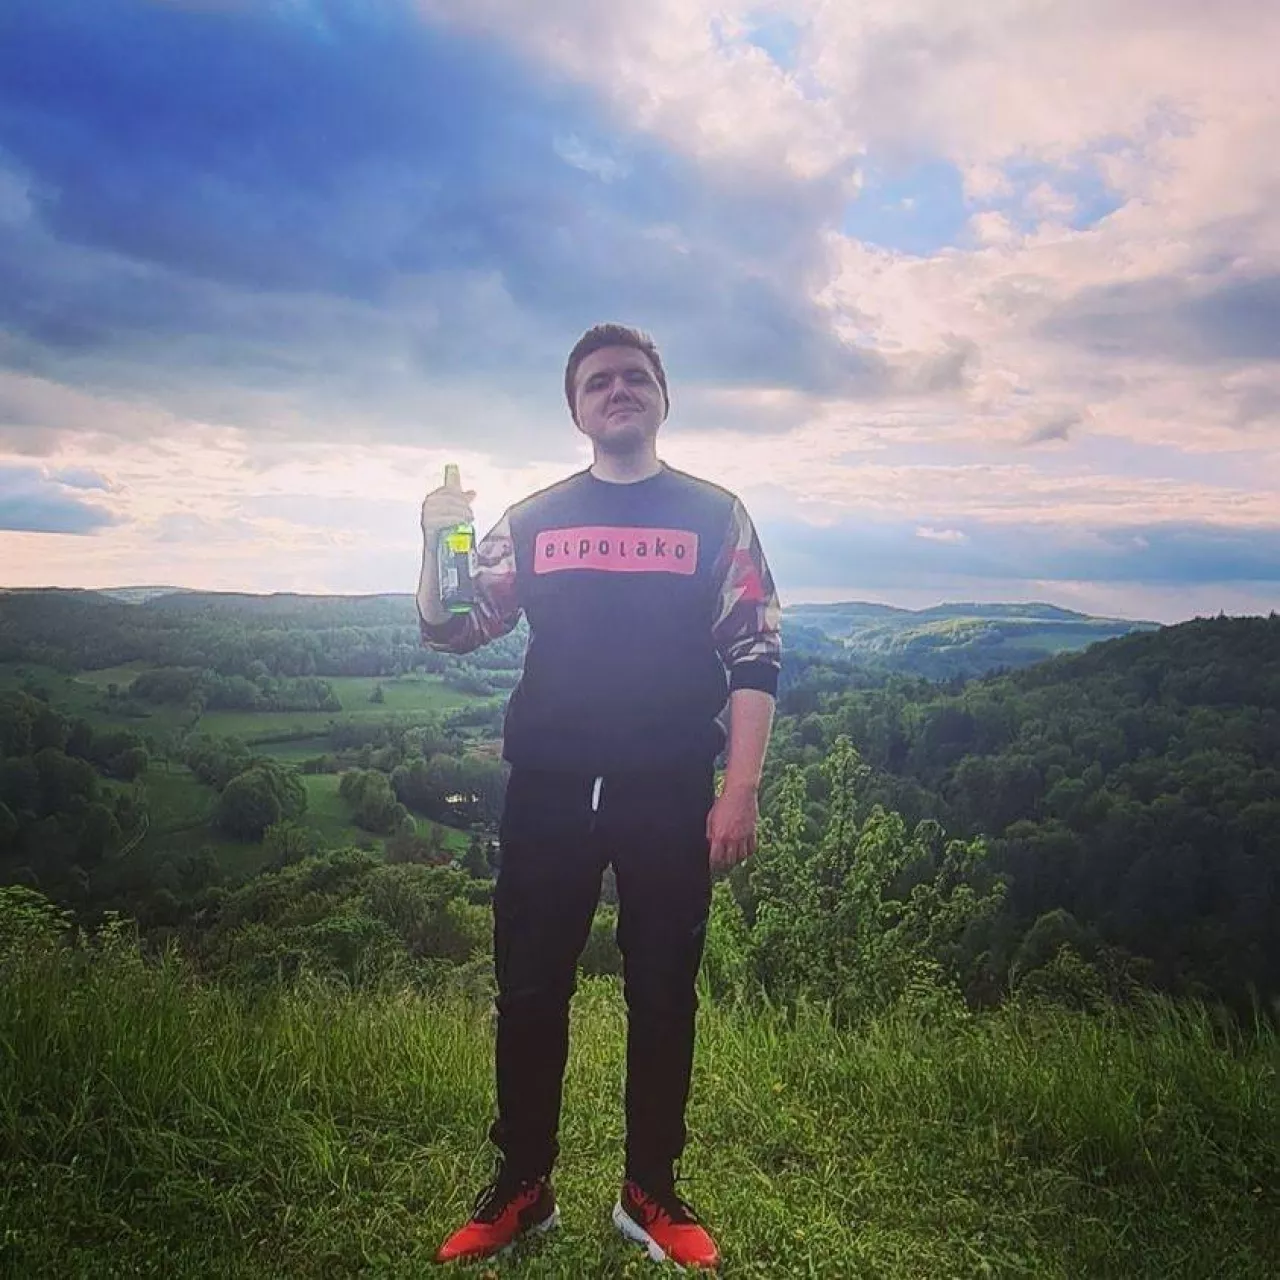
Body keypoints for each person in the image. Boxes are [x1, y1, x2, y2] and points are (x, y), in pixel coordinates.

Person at [418, 323, 781, 1270]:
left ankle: (649, 1191)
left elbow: (755, 651)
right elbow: (454, 628)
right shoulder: (533, 520)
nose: (618, 390)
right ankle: (522, 1188)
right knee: (530, 990)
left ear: (662, 396)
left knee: (664, 992)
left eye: (634, 377)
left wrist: (739, 789)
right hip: (548, 787)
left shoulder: (716, 516)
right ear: (576, 410)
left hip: (670, 788)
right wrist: (432, 541)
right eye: (597, 382)